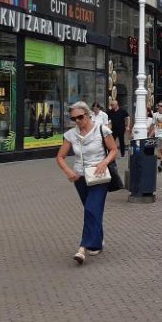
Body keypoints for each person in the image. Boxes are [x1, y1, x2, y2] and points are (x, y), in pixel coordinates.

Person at [56, 101, 118, 265]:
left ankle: (83, 248)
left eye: (80, 117)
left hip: (99, 176)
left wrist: (104, 162)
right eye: (73, 119)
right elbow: (60, 157)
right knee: (92, 211)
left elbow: (113, 149)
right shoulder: (71, 135)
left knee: (91, 210)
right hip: (80, 178)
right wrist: (68, 171)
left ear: (88, 114)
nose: (77, 121)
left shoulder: (102, 130)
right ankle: (97, 241)